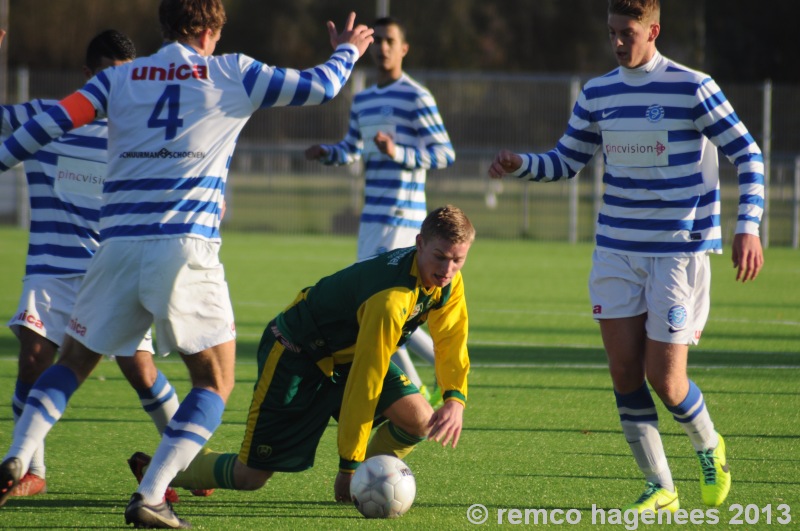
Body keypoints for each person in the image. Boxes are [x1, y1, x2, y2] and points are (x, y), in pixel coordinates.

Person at [0, 0, 374, 528]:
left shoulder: (120, 78)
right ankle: (151, 495)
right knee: (214, 382)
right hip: (182, 248)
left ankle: (20, 451)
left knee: (72, 362)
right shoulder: (233, 71)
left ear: (165, 25)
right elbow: (320, 86)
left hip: (115, 246)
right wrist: (347, 51)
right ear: (213, 29)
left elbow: (48, 124)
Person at [488, 0, 764, 514]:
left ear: (653, 30)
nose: (617, 42)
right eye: (612, 32)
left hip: (677, 253)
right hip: (616, 248)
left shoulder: (693, 86)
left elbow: (748, 152)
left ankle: (709, 447)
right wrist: (521, 164)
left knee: (666, 379)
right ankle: (660, 486)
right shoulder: (597, 92)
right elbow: (567, 160)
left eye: (627, 33)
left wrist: (747, 227)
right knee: (623, 372)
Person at [128, 205, 472, 515]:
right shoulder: (390, 299)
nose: (447, 269)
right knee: (252, 476)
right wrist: (349, 467)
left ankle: (370, 476)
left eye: (458, 260)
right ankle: (179, 470)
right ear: (420, 243)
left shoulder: (448, 283)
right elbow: (366, 381)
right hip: (297, 353)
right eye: (440, 257)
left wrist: (454, 397)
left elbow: (452, 339)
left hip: (345, 356)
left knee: (419, 421)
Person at [0, 28, 182, 500]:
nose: (116, 91)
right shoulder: (44, 119)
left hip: (112, 273)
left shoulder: (139, 136)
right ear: (87, 77)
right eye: (106, 79)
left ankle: (184, 458)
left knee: (138, 369)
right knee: (35, 359)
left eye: (126, 81)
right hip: (50, 270)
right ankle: (30, 470)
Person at [305, 16, 455, 402]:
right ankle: (428, 378)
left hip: (403, 219)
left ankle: (419, 388)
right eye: (379, 41)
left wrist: (398, 152)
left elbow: (444, 153)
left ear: (404, 48)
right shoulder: (364, 99)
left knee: (383, 312)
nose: (384, 47)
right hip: (371, 219)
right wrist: (328, 154)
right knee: (373, 310)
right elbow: (352, 149)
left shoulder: (416, 96)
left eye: (391, 41)